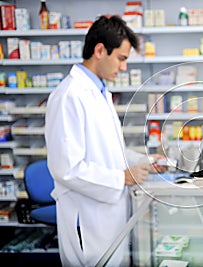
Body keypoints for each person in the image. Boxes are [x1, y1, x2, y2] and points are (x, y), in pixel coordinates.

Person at [45, 15, 165, 266]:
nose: (123, 68)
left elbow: (110, 151)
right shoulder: (69, 96)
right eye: (121, 59)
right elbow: (66, 169)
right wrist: (122, 177)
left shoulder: (100, 92)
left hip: (108, 214)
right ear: (100, 50)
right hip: (87, 220)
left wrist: (145, 162)